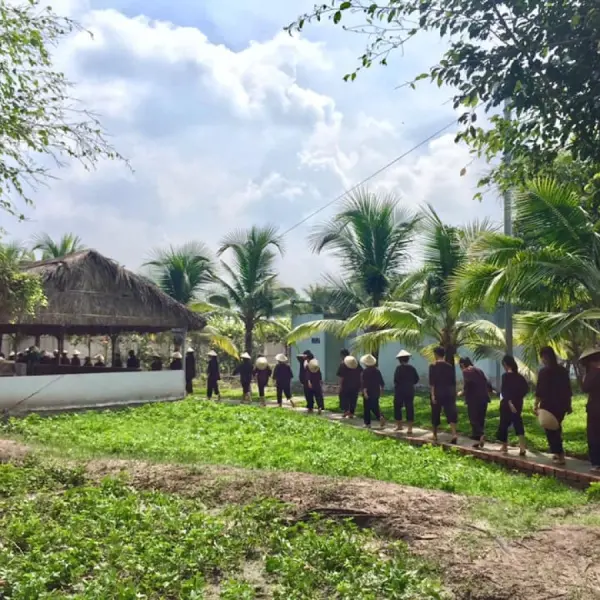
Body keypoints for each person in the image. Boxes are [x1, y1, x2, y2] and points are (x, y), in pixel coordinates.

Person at [534, 346, 572, 466]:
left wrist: (536, 404)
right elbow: (568, 390)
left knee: (551, 430)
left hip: (548, 404)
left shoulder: (544, 372)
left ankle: (560, 454)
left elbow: (540, 390)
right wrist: (569, 405)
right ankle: (557, 452)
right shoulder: (563, 371)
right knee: (556, 426)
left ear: (544, 357)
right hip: (561, 404)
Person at [496, 354, 529, 456]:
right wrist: (518, 399)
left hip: (507, 403)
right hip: (518, 403)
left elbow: (505, 391)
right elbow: (526, 389)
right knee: (518, 422)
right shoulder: (520, 377)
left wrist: (510, 402)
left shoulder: (505, 376)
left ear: (505, 364)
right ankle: (522, 447)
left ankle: (504, 446)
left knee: (503, 424)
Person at [459, 357, 492, 449]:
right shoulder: (479, 370)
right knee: (480, 419)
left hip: (474, 399)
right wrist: (490, 390)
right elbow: (487, 382)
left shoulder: (466, 371)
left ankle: (481, 435)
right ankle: (477, 441)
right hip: (484, 398)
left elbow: (467, 385)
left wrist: (461, 393)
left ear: (462, 364)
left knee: (473, 419)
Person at [428, 346, 458, 444]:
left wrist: (432, 395)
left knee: (435, 413)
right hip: (449, 392)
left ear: (436, 354)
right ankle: (454, 434)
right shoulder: (449, 366)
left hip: (438, 392)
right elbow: (453, 382)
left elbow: (432, 382)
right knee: (450, 412)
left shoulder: (433, 366)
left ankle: (435, 435)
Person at [580, 348, 600, 472]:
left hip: (594, 409)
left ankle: (596, 463)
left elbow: (585, 388)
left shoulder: (592, 373)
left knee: (594, 435)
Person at [394, 350, 419, 433]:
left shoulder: (398, 368)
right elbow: (416, 379)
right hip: (409, 390)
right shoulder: (412, 368)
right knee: (409, 407)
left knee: (397, 407)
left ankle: (399, 426)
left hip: (400, 390)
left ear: (399, 360)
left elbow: (396, 380)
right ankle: (410, 428)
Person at [361, 354, 386, 429]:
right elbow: (381, 382)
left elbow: (364, 383)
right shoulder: (377, 371)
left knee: (367, 408)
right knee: (375, 405)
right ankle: (380, 416)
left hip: (368, 392)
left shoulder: (365, 372)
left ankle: (367, 423)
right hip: (376, 391)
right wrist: (381, 390)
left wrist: (365, 392)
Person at [338, 354, 362, 419]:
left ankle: (346, 410)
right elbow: (360, 374)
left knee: (343, 397)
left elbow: (341, 376)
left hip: (346, 385)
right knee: (353, 399)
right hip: (356, 385)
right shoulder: (357, 364)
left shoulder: (343, 365)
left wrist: (340, 385)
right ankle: (351, 413)